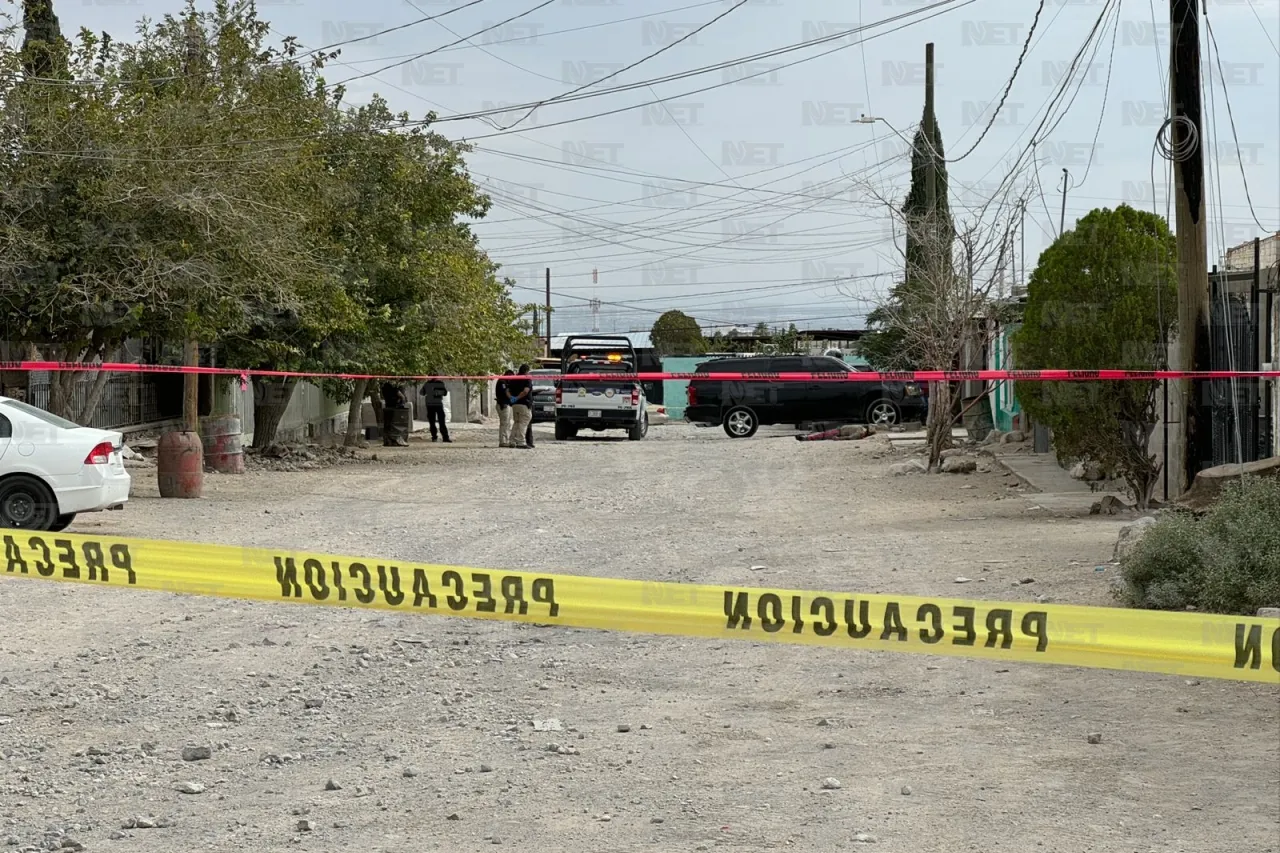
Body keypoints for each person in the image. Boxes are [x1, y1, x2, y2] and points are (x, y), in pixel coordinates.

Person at [506, 364, 533, 450]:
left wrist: (512, 398)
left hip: (515, 405)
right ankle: (521, 441)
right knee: (523, 422)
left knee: (516, 422)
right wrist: (517, 397)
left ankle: (512, 440)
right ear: (526, 371)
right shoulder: (527, 379)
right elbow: (525, 391)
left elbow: (507, 390)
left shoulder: (514, 378)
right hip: (524, 404)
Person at [421, 378, 451, 443]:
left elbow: (422, 392)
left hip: (433, 404)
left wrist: (435, 392)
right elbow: (422, 392)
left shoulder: (431, 383)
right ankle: (440, 437)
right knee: (435, 422)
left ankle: (440, 437)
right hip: (434, 404)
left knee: (437, 422)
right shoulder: (430, 383)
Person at [380, 382, 409, 447]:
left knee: (387, 426)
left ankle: (388, 442)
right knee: (396, 425)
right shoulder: (394, 388)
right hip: (395, 409)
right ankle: (396, 440)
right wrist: (402, 402)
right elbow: (402, 397)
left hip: (388, 407)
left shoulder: (383, 387)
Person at [495, 370, 513, 447]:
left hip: (506, 404)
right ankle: (503, 441)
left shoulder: (504, 382)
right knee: (504, 423)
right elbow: (505, 392)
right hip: (503, 405)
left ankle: (506, 439)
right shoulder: (502, 382)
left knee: (507, 423)